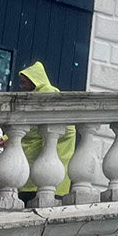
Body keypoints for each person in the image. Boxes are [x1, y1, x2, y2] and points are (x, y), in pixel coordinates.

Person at [15, 61, 75, 197]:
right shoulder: (37, 94)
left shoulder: (47, 92)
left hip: (52, 148)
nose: (22, 86)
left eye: (24, 82)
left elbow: (35, 125)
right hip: (47, 150)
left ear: (33, 81)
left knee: (40, 187)